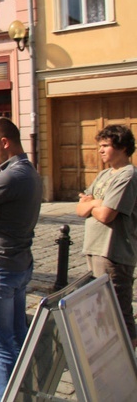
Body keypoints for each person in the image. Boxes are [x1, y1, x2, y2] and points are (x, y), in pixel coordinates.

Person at [0, 117, 42, 400]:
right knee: (16, 340)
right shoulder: (28, 171)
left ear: (5, 142)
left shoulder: (11, 176)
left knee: (1, 348)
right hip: (17, 266)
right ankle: (20, 394)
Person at [77, 124, 137, 348]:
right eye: (99, 146)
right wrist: (94, 203)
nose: (100, 151)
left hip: (113, 253)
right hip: (94, 249)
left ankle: (128, 358)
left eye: (105, 146)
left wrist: (92, 204)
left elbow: (106, 215)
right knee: (100, 308)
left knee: (119, 311)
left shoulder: (127, 175)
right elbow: (80, 209)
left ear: (121, 147)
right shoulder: (103, 174)